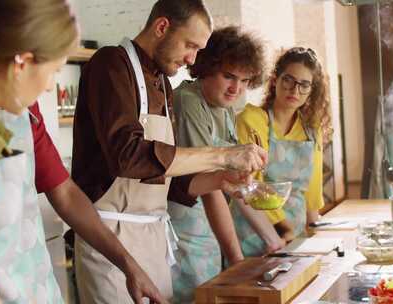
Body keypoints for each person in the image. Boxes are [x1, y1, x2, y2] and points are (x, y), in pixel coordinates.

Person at [0, 0, 164, 303]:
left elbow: (62, 192)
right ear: (21, 62)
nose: (50, 87)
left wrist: (127, 264)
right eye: (53, 72)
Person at [71, 0, 268, 302]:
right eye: (190, 46)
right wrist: (222, 155)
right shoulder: (110, 63)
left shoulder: (163, 84)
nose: (192, 59)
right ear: (162, 27)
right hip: (109, 243)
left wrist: (221, 180)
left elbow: (169, 180)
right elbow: (128, 155)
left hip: (154, 243)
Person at [168, 25, 286, 303]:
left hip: (209, 229)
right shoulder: (189, 101)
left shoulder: (225, 108)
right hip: (184, 230)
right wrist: (236, 258)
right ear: (205, 67)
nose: (237, 88)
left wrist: (273, 239)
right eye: (228, 76)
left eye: (245, 80)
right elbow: (209, 184)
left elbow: (238, 183)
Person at [232, 47, 333, 257]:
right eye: (289, 80)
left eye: (304, 85)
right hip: (255, 232)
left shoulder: (311, 130)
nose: (295, 91)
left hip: (294, 238)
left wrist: (314, 233)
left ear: (312, 90)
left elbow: (312, 192)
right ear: (275, 79)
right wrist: (284, 230)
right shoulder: (252, 120)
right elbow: (252, 188)